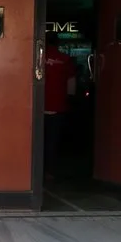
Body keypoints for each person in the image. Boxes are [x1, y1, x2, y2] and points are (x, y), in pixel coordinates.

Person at [44, 31, 76, 178]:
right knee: (53, 140)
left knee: (38, 140)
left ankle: (36, 171)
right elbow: (71, 84)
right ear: (57, 43)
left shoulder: (36, 58)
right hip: (58, 105)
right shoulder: (65, 59)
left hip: (39, 105)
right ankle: (50, 171)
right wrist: (71, 99)